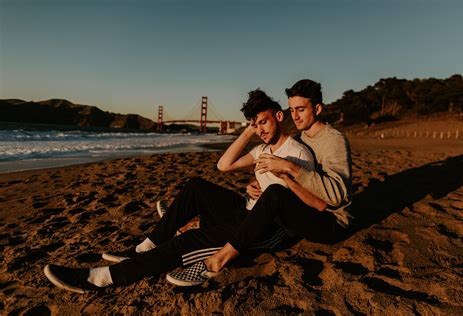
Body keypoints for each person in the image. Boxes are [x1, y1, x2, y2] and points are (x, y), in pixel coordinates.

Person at [43, 89, 315, 293]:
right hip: (245, 209)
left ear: (279, 117)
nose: (260, 129)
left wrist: (274, 183)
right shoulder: (261, 149)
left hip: (263, 228)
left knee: (188, 242)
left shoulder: (298, 153)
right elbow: (223, 165)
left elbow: (299, 201)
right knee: (197, 186)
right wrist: (247, 133)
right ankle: (147, 244)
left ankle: (99, 278)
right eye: (255, 124)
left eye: (264, 122)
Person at [166, 79, 352, 286]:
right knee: (259, 199)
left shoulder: (334, 140)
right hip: (304, 209)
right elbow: (291, 176)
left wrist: (289, 168)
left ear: (317, 108)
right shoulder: (300, 138)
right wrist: (257, 180)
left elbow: (337, 196)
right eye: (292, 110)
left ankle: (218, 260)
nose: (295, 116)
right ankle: (192, 224)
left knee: (273, 195)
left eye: (301, 109)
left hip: (331, 222)